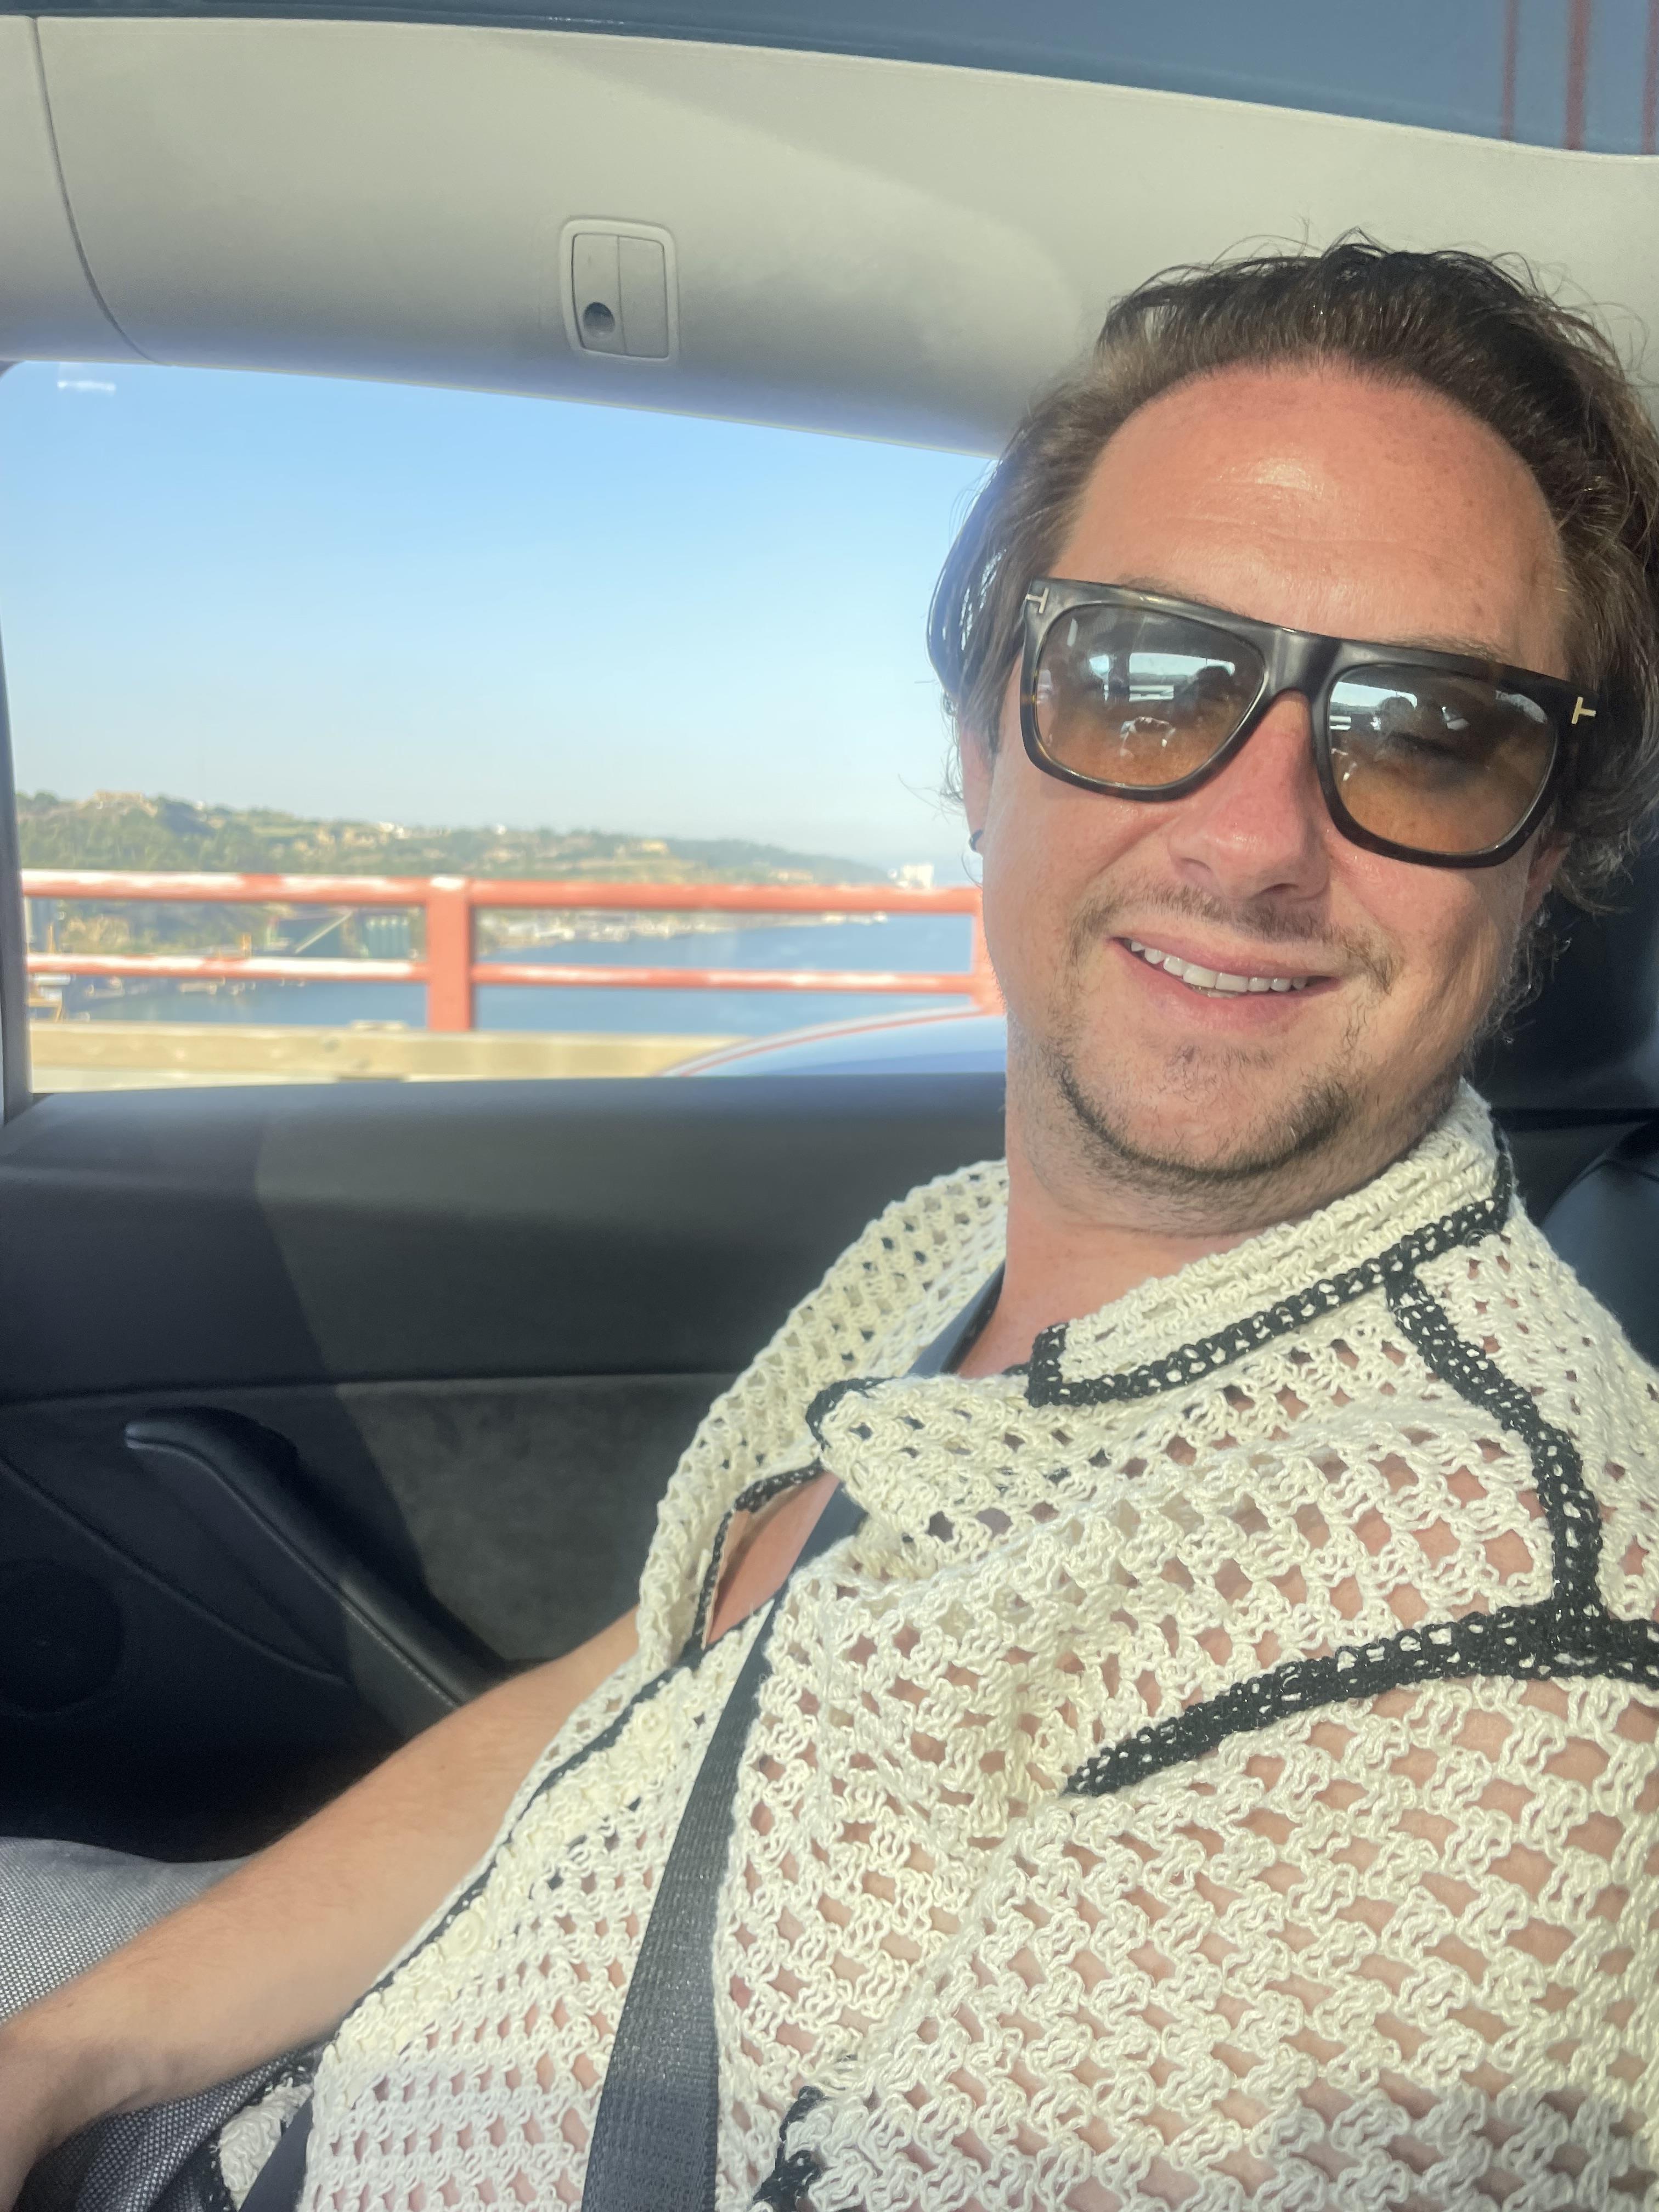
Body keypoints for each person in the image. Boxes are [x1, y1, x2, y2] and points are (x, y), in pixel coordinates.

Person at [5, 238, 1659, 2211]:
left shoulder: (1490, 1666)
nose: (1254, 841)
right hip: (347, 2068)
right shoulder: (951, 1250)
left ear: (1547, 862)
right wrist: (66, 2053)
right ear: (981, 747)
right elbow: (645, 1696)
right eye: (1147, 680)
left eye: (1431, 734)